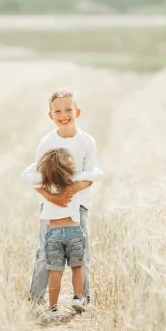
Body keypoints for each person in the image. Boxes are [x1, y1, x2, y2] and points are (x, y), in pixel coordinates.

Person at [20, 87, 102, 308]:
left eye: (68, 109)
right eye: (57, 111)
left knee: (81, 252)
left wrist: (70, 190)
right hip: (51, 207)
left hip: (79, 205)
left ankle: (83, 298)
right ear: (51, 115)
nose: (63, 115)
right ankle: (36, 300)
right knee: (44, 252)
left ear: (78, 112)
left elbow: (92, 176)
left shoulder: (87, 142)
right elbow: (35, 178)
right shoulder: (47, 143)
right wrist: (52, 197)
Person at [35, 147, 87, 315]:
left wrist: (47, 194)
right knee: (77, 267)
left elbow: (33, 182)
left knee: (55, 271)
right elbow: (92, 179)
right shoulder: (73, 185)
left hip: (54, 232)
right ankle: (78, 298)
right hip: (74, 230)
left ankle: (52, 308)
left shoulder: (47, 186)